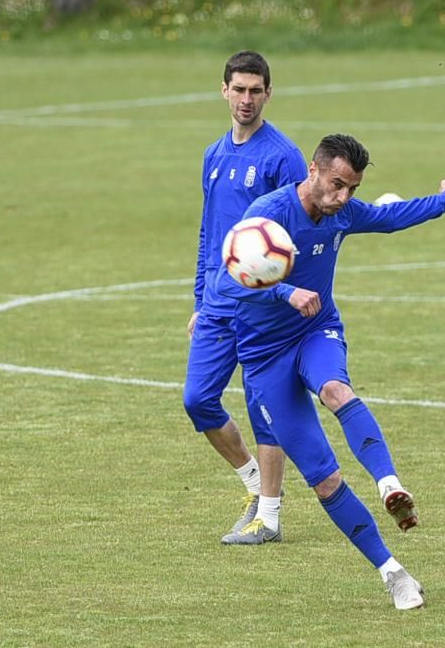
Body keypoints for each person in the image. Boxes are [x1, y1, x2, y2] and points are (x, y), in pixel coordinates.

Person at [216, 133, 445, 610]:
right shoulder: (265, 218)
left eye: (351, 187)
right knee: (323, 479)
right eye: (336, 184)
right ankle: (394, 574)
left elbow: (391, 218)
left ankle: (390, 484)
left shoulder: (343, 213)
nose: (344, 197)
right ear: (313, 170)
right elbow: (232, 284)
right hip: (265, 355)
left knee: (334, 388)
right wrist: (284, 293)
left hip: (315, 333)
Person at [183, 51, 308, 542]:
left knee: (264, 405)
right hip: (217, 301)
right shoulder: (214, 155)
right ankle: (255, 483)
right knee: (198, 400)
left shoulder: (283, 157)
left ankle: (269, 518)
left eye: (256, 91)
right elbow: (208, 233)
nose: (247, 99)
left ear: (269, 94)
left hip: (264, 304)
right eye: (239, 89)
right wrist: (199, 297)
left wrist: (285, 295)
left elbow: (295, 237)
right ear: (224, 90)